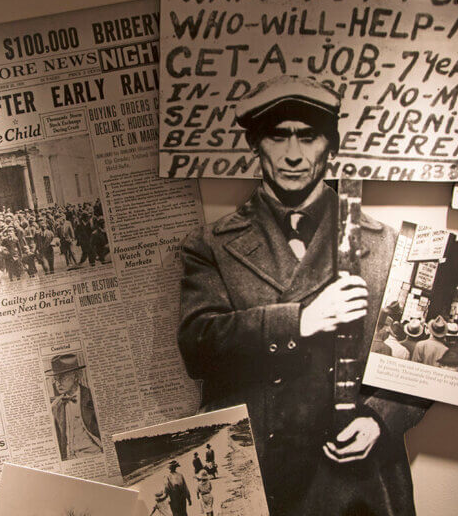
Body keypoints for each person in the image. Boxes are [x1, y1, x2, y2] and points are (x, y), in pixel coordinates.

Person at [178, 75, 429, 516]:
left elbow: (416, 365)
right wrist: (300, 321)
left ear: (330, 145)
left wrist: (381, 420)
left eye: (308, 136)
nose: (293, 154)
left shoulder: (387, 245)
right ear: (255, 144)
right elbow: (198, 347)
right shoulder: (211, 245)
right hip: (253, 480)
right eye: (277, 136)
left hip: (356, 484)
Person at [47, 353, 101, 461]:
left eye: (62, 377)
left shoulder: (92, 398)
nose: (58, 383)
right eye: (56, 379)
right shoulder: (55, 406)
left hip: (95, 455)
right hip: (70, 459)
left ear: (76, 376)